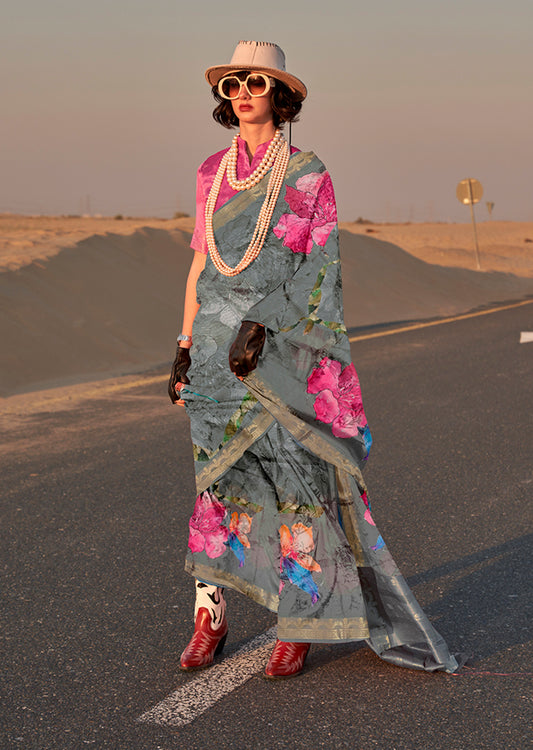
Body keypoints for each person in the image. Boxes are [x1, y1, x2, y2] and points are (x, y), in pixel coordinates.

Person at [169, 40, 461, 679]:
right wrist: (186, 345)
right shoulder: (210, 172)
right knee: (218, 482)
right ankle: (209, 616)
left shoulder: (307, 172)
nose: (243, 92)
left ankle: (301, 620)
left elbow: (319, 268)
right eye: (232, 84)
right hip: (219, 350)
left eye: (256, 81)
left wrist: (262, 324)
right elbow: (201, 260)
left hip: (277, 348)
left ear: (281, 94)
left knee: (296, 480)